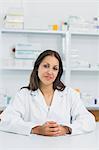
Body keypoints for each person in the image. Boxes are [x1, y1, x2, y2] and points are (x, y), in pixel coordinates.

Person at [0, 50, 96, 136]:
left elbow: (89, 121)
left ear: (58, 72)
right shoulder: (23, 95)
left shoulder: (69, 94)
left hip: (62, 146)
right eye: (46, 66)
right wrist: (36, 129)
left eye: (55, 68)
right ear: (37, 68)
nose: (50, 72)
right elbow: (5, 120)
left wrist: (66, 129)